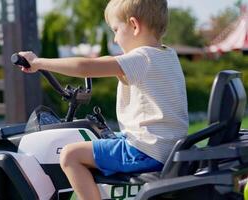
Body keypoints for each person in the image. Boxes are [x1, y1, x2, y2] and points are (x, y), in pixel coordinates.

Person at [16, 0, 188, 199]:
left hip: (145, 149)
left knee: (70, 155)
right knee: (103, 140)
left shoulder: (143, 58)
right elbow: (106, 62)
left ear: (134, 25)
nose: (115, 39)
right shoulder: (167, 55)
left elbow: (84, 67)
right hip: (166, 146)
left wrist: (38, 63)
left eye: (115, 30)